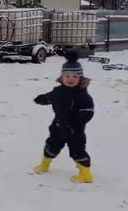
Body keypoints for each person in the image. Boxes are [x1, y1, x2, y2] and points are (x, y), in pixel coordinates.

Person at [33, 49, 95, 183]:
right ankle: (44, 165)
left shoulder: (83, 96)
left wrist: (77, 122)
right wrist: (41, 99)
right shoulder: (58, 92)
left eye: (74, 77)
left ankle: (85, 174)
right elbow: (50, 98)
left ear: (80, 78)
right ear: (62, 77)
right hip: (58, 126)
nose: (70, 79)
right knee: (51, 145)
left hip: (75, 130)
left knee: (77, 150)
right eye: (67, 76)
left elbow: (88, 111)